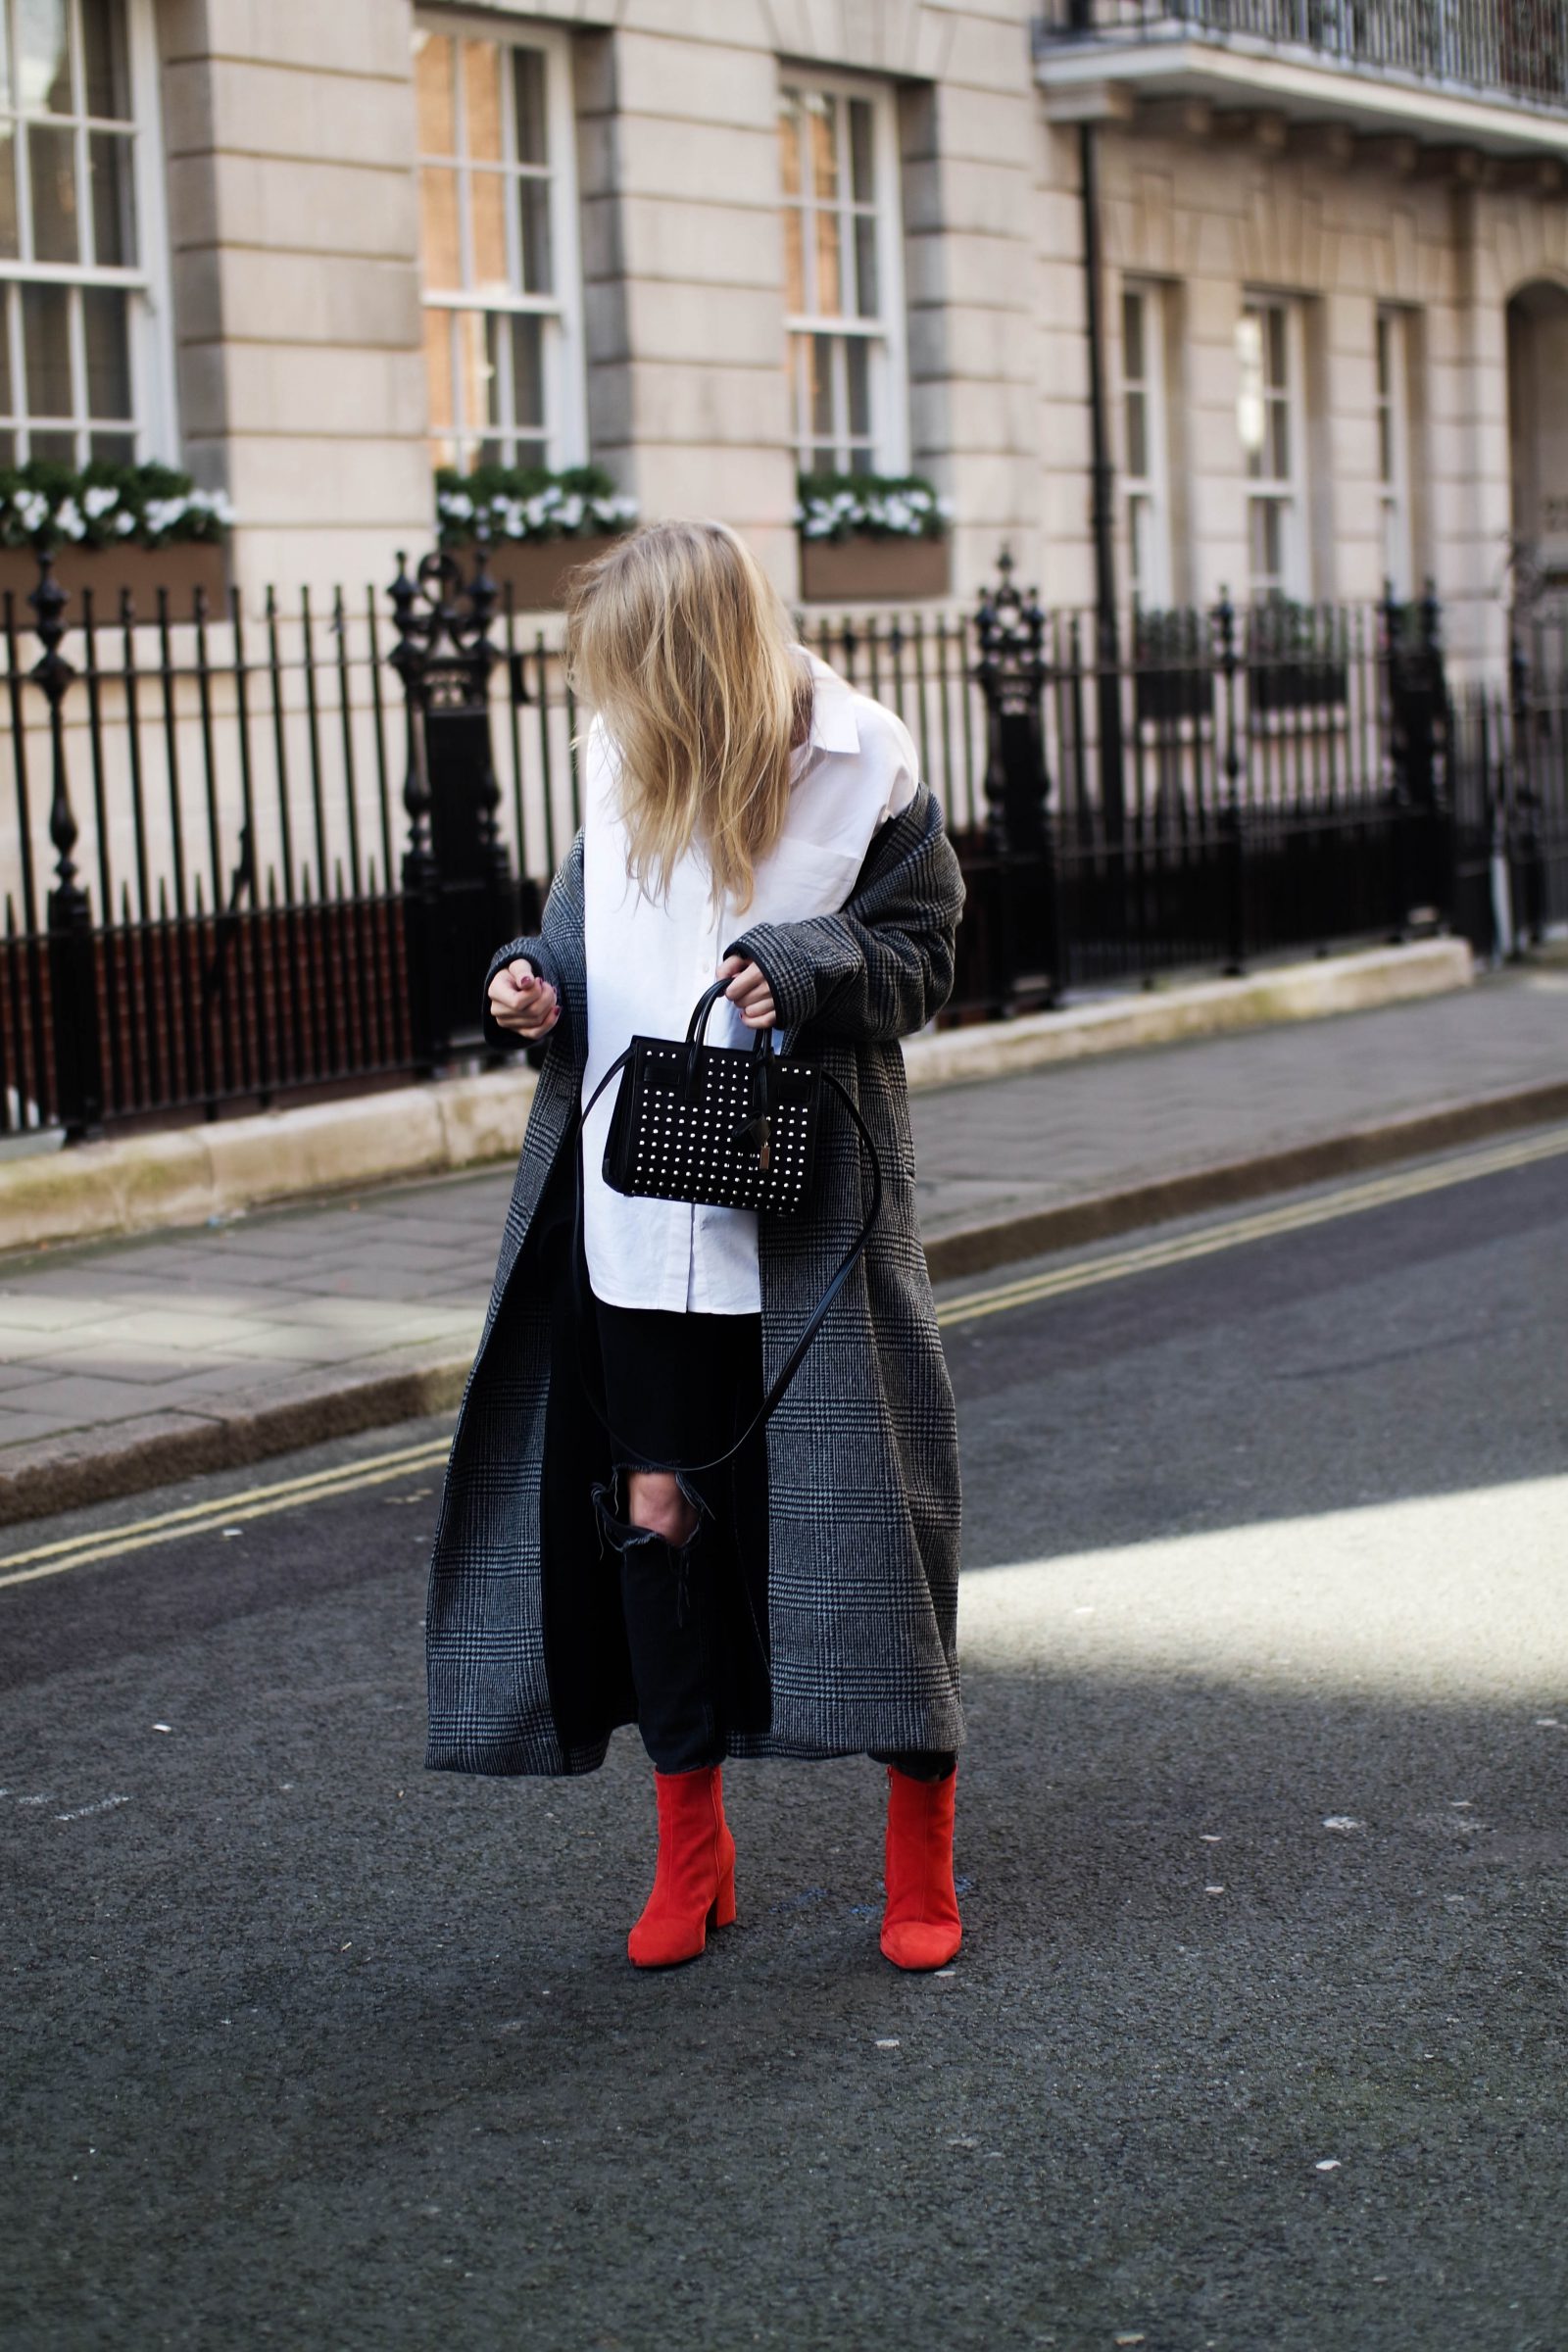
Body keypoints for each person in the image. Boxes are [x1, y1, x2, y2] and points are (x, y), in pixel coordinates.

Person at [424, 518, 965, 1972]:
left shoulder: (865, 767)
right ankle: (692, 1850)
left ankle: (921, 1859)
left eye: (638, 677)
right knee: (652, 1523)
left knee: (870, 1527)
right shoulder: (619, 754)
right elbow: (580, 941)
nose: (616, 709)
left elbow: (927, 960)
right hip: (637, 1223)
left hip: (804, 1234)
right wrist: (533, 982)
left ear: (703, 666)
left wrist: (809, 962)